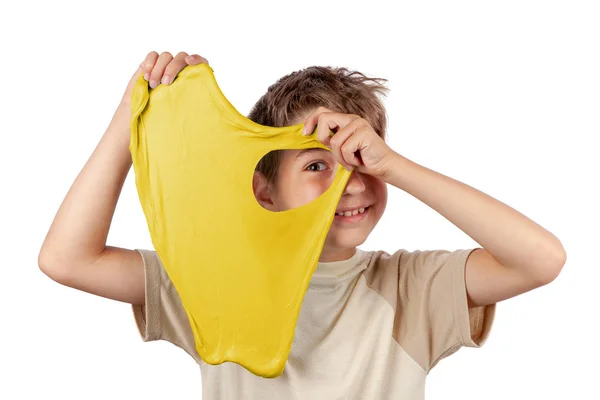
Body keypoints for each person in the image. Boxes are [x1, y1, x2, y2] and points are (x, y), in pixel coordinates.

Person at [38, 50, 567, 399]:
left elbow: (542, 259)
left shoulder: (412, 287)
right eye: (317, 165)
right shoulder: (209, 278)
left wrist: (395, 165)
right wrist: (128, 119)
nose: (351, 183)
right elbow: (66, 260)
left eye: (361, 159)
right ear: (263, 188)